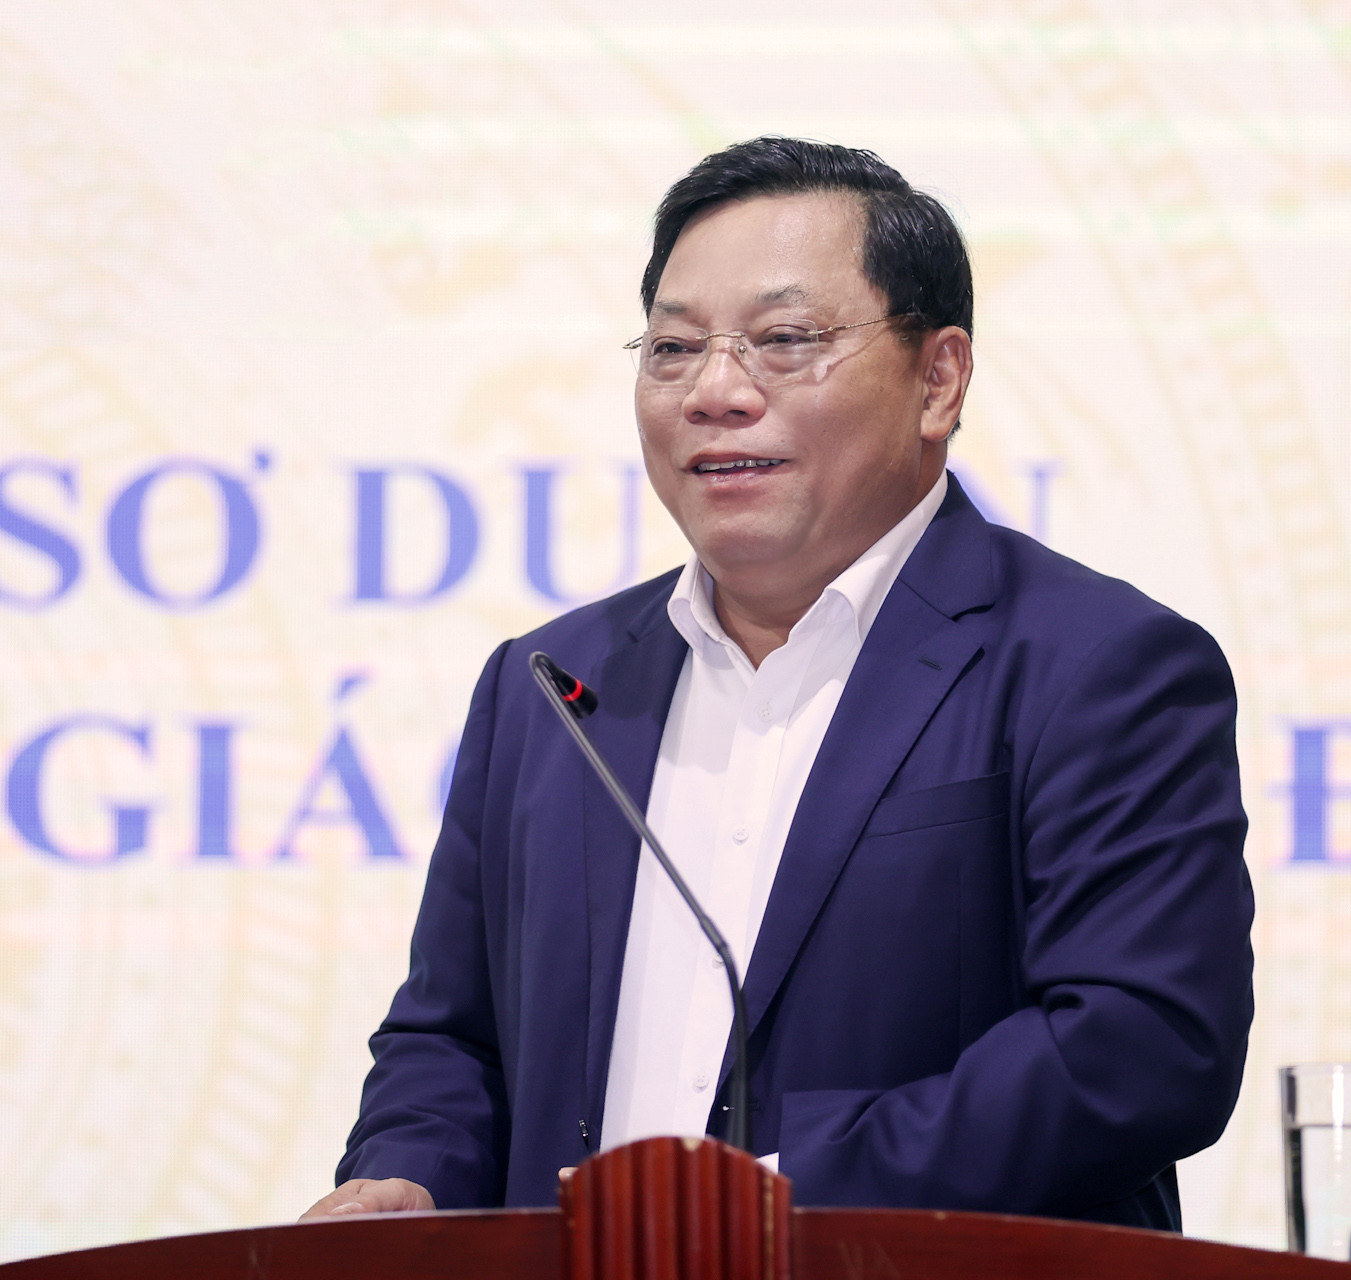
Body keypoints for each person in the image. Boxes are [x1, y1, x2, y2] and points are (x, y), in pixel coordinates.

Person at [303, 137, 1254, 1230]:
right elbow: (454, 1038)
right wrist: (410, 1171)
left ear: (938, 379)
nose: (715, 390)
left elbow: (1140, 1044)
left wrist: (776, 1206)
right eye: (673, 347)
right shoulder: (552, 687)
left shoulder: (1097, 666)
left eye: (786, 340)